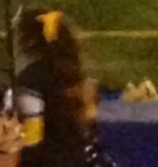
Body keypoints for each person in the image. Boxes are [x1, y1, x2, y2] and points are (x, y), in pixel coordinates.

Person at [15, 9, 98, 167]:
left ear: (31, 41)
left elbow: (32, 139)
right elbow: (89, 125)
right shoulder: (78, 74)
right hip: (79, 159)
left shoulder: (32, 78)